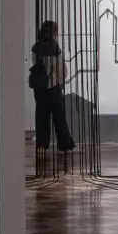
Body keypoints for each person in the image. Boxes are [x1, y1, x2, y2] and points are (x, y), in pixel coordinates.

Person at [28, 19, 74, 164]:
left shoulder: (36, 47)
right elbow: (60, 69)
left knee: (41, 116)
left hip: (39, 88)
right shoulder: (55, 48)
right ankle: (64, 144)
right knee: (59, 116)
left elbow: (36, 65)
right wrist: (60, 80)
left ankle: (42, 145)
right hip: (53, 87)